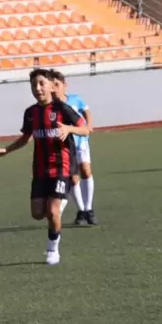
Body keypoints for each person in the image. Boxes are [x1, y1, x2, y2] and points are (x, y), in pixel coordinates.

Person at [0, 68, 90, 266]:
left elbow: (86, 129)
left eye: (42, 83)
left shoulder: (62, 109)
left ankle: (53, 249)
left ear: (52, 86)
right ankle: (59, 201)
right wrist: (6, 150)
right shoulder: (31, 113)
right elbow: (25, 138)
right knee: (37, 214)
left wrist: (69, 128)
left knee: (52, 212)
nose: (37, 88)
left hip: (61, 167)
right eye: (34, 85)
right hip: (40, 170)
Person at [52, 70, 97, 226]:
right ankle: (82, 211)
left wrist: (89, 125)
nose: (54, 88)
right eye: (52, 85)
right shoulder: (51, 107)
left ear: (64, 85)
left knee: (85, 171)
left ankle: (89, 208)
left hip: (80, 141)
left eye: (57, 84)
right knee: (73, 177)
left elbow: (86, 111)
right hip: (65, 145)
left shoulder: (74, 99)